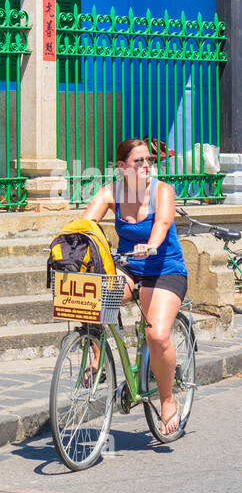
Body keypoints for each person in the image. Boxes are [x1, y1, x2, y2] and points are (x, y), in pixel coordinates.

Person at [83, 137, 188, 437]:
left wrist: (151, 245)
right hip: (130, 267)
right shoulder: (111, 193)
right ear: (121, 167)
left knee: (156, 335)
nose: (145, 166)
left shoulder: (162, 191)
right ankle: (95, 354)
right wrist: (70, 242)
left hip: (165, 268)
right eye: (138, 161)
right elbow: (85, 225)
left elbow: (163, 223)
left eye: (148, 161)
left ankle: (167, 400)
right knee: (93, 293)